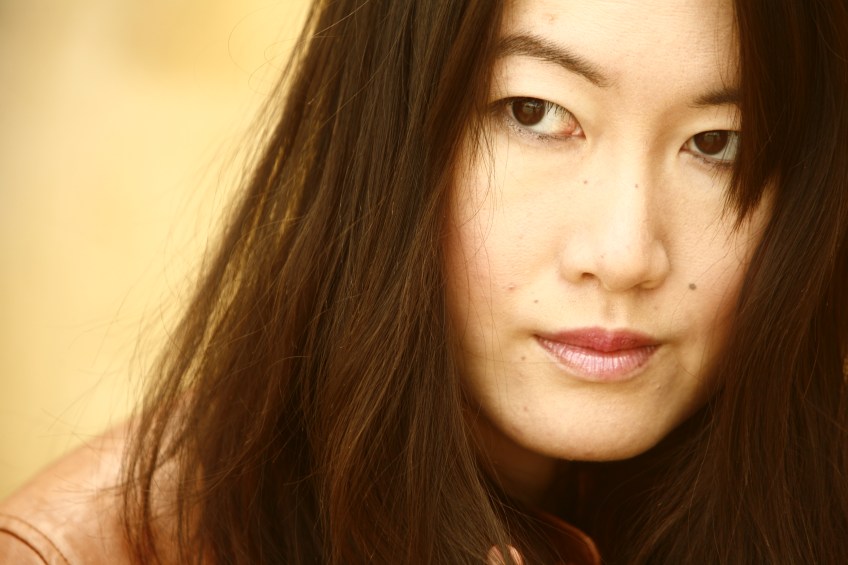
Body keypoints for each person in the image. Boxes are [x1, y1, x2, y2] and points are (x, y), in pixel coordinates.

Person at [2, 0, 847, 562]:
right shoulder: (78, 549)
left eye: (716, 142)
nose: (625, 253)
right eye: (533, 113)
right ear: (387, 141)